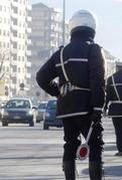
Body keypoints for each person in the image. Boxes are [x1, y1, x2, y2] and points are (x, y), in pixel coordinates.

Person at [36, 9, 105, 180]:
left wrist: (58, 92)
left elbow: (41, 77)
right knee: (95, 145)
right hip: (87, 108)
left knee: (70, 145)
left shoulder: (60, 53)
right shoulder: (93, 49)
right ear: (92, 27)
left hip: (66, 109)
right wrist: (98, 107)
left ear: (72, 27)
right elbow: (97, 80)